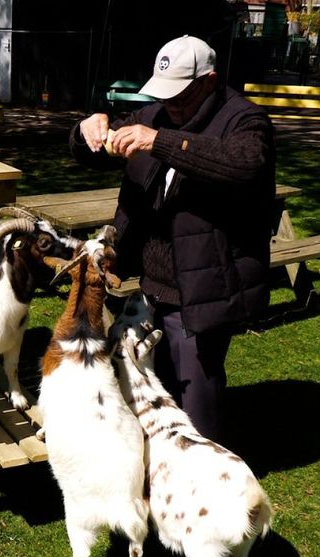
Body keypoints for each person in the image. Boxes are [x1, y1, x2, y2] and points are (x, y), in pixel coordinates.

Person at [71, 34, 276, 443]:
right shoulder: (156, 114)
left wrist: (160, 142)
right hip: (152, 283)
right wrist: (85, 130)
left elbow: (243, 165)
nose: (170, 105)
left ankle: (210, 484)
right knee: (152, 390)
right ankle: (162, 473)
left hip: (204, 286)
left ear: (210, 80)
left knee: (197, 400)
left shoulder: (245, 122)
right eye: (165, 95)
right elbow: (91, 150)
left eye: (180, 95)